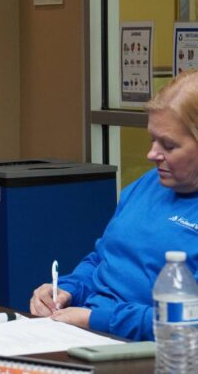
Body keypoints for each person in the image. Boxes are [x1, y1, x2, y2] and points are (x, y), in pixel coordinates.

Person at [30, 69, 198, 341]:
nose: (152, 154)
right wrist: (67, 290)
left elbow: (188, 323)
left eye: (168, 145)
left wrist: (95, 318)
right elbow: (101, 259)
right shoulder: (146, 185)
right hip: (88, 330)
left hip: (153, 350)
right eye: (152, 139)